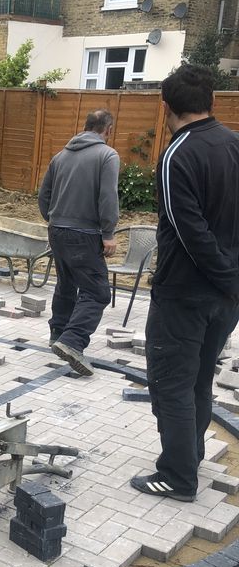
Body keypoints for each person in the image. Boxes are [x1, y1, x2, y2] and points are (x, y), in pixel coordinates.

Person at [131, 64, 239, 502]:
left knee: (171, 383)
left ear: (166, 108)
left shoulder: (178, 154)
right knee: (198, 381)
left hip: (185, 295)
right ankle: (188, 455)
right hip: (226, 298)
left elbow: (189, 230)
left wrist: (227, 276)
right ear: (211, 102)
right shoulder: (235, 145)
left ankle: (177, 477)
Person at [38, 110, 120, 377]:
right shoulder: (107, 156)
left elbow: (44, 195)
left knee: (67, 283)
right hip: (84, 234)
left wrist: (55, 219)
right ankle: (72, 342)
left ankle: (58, 333)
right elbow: (108, 197)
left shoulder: (60, 156)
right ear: (107, 129)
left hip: (57, 230)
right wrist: (108, 233)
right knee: (97, 292)